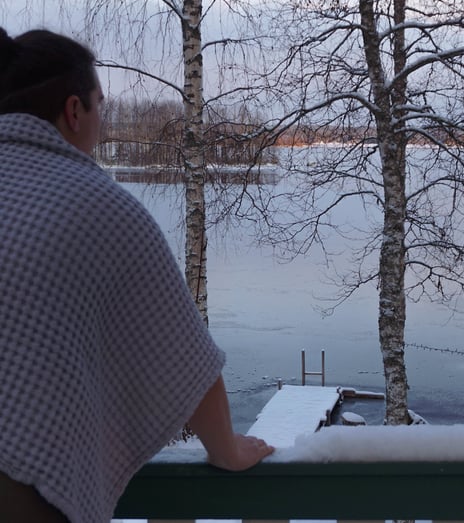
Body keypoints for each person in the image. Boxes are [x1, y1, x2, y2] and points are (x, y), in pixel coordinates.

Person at [0, 27, 274, 523]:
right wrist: (227, 450)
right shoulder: (98, 206)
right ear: (74, 111)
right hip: (23, 489)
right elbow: (184, 354)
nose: (102, 122)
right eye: (100, 106)